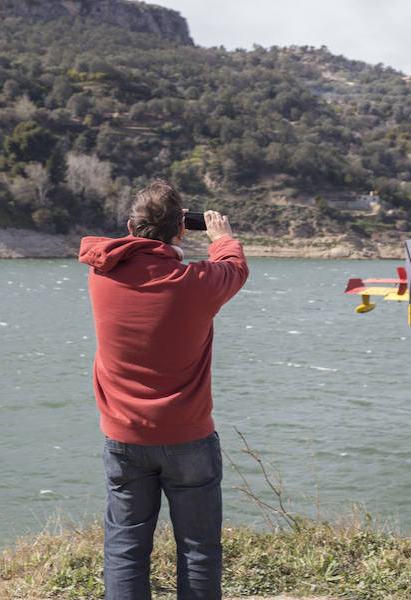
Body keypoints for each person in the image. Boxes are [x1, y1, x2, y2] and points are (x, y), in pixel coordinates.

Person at [78, 178, 249, 599]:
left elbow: (121, 249)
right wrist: (222, 238)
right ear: (181, 229)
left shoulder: (102, 276)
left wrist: (151, 231)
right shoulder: (197, 283)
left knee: (125, 547)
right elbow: (235, 268)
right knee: (198, 549)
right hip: (189, 438)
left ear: (131, 226)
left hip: (123, 436)